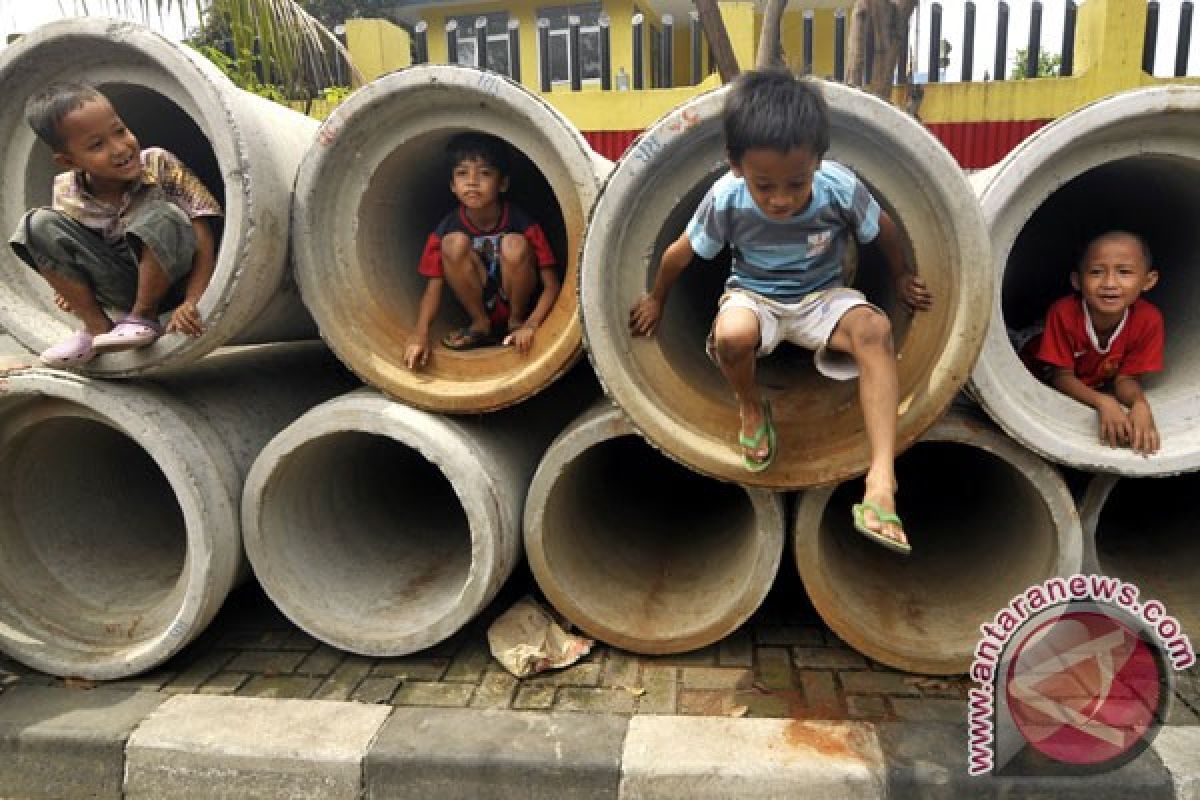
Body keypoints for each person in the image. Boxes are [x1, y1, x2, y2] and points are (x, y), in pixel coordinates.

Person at [628, 69, 932, 555]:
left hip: (820, 298)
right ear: (735, 165)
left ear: (818, 159)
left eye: (796, 182)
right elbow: (677, 254)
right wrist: (657, 300)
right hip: (755, 296)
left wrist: (898, 277)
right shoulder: (726, 198)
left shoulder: (838, 188)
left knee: (874, 329)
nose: (782, 199)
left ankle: (881, 484)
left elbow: (886, 231)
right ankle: (752, 407)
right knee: (732, 335)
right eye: (764, 185)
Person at [9, 81, 221, 366]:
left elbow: (202, 232)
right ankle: (96, 328)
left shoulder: (158, 163)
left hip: (173, 280)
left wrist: (194, 301)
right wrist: (67, 290)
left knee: (162, 215)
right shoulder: (65, 190)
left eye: (120, 131)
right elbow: (68, 251)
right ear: (68, 161)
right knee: (37, 224)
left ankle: (145, 316)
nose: (120, 148)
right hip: (120, 283)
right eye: (97, 145)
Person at [404, 133, 560, 369]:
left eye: (485, 173)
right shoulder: (446, 228)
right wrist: (420, 333)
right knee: (453, 243)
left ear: (503, 183)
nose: (472, 181)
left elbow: (552, 284)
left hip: (519, 302)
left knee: (513, 244)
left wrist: (531, 324)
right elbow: (432, 289)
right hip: (481, 295)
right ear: (452, 186)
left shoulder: (522, 222)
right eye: (462, 173)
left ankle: (515, 322)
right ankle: (480, 324)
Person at [1022, 230, 1162, 455]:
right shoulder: (1064, 313)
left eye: (1124, 272)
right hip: (1034, 356)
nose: (1109, 283)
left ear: (1148, 281)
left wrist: (1139, 404)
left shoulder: (1148, 319)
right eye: (1096, 272)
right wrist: (1104, 402)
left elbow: (1126, 378)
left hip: (1089, 373)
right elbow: (1061, 377)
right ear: (1077, 281)